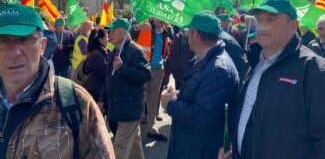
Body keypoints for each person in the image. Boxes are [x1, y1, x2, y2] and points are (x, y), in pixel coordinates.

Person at [0, 4, 114, 158]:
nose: (15, 52)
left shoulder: (76, 105)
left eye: (25, 40)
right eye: (2, 42)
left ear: (42, 46)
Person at [232, 0, 325, 159]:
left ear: (293, 26)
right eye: (259, 20)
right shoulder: (254, 64)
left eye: (271, 19)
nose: (262, 25)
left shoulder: (319, 72)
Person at [161, 12, 240, 159]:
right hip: (191, 145)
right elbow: (202, 97)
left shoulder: (218, 70)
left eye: (188, 32)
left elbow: (201, 117)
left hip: (199, 150)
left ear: (195, 34)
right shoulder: (203, 59)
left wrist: (170, 104)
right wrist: (178, 95)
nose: (186, 36)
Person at [100, 18, 151, 159]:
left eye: (113, 31)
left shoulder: (136, 51)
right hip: (118, 106)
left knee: (119, 149)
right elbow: (108, 78)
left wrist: (123, 68)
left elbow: (146, 75)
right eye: (109, 31)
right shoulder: (114, 52)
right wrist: (102, 99)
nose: (109, 34)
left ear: (124, 33)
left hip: (129, 108)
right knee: (134, 144)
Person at [131, 17, 172, 141]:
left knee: (153, 101)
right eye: (158, 16)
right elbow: (128, 34)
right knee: (137, 99)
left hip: (158, 70)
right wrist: (137, 28)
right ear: (152, 17)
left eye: (163, 17)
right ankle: (132, 131)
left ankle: (151, 128)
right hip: (143, 69)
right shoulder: (144, 28)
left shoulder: (166, 32)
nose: (161, 19)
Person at [81, 27, 109, 102]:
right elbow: (105, 72)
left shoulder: (97, 52)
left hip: (94, 89)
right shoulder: (97, 55)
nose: (108, 39)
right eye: (106, 37)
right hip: (94, 90)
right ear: (100, 40)